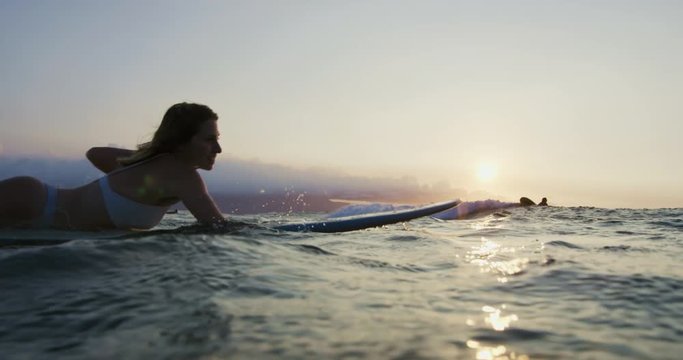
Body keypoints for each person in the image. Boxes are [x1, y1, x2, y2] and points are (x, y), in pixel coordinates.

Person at [0, 102, 226, 230]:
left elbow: (95, 154)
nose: (218, 149)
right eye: (209, 139)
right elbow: (218, 228)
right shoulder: (186, 178)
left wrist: (146, 158)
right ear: (182, 140)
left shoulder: (150, 165)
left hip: (33, 197)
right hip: (31, 203)